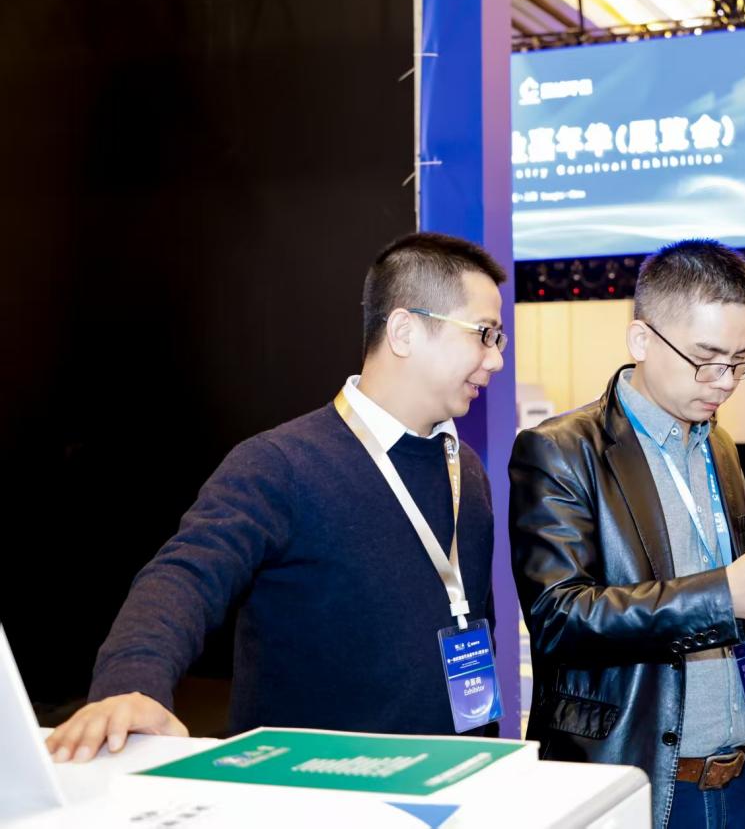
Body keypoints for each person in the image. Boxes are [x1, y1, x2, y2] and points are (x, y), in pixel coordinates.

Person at [46, 232, 509, 762]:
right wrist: (131, 684)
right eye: (484, 334)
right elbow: (185, 576)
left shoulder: (463, 468)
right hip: (313, 784)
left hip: (454, 777)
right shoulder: (281, 464)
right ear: (405, 330)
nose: (495, 360)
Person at [509, 240, 745, 829]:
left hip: (737, 772)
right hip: (636, 775)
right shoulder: (562, 450)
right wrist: (725, 595)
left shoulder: (719, 445)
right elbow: (559, 618)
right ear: (642, 340)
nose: (725, 381)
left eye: (741, 361)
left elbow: (726, 588)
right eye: (706, 359)